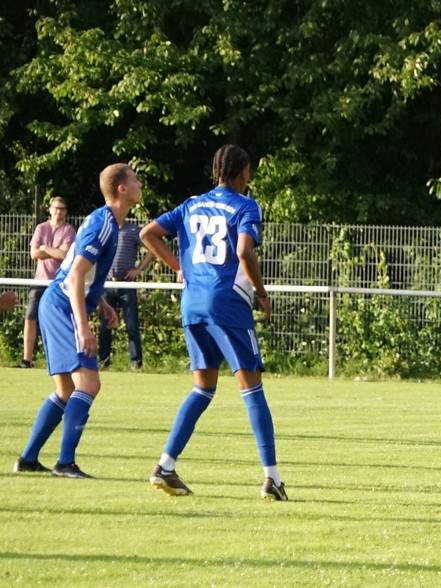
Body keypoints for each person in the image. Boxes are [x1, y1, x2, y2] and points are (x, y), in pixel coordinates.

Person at [140, 144, 287, 501]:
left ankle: (166, 466)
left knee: (202, 388)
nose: (249, 179)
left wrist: (180, 268)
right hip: (227, 303)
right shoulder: (246, 205)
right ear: (241, 172)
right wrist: (262, 294)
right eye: (248, 172)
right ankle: (272, 479)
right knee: (252, 388)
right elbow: (243, 252)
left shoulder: (191, 203)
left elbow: (148, 233)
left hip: (192, 304)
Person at [13, 165, 142, 477]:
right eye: (135, 180)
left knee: (67, 391)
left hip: (59, 303)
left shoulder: (106, 221)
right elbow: (74, 274)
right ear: (121, 189)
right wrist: (83, 326)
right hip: (61, 306)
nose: (140, 184)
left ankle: (28, 459)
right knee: (89, 383)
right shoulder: (105, 224)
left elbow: (81, 271)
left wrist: (101, 304)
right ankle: (65, 463)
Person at [21, 197, 76, 368]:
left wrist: (45, 248)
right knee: (30, 318)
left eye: (62, 208)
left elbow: (64, 255)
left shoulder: (68, 230)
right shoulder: (41, 228)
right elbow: (34, 254)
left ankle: (62, 361)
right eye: (56, 208)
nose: (58, 211)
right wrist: (52, 251)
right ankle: (27, 360)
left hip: (59, 282)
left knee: (60, 321)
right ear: (50, 209)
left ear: (65, 211)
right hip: (40, 280)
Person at [98, 221, 155, 371]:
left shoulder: (133, 230)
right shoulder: (105, 229)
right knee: (105, 326)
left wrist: (140, 269)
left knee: (132, 326)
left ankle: (135, 363)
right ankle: (103, 362)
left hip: (127, 284)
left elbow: (152, 248)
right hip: (108, 285)